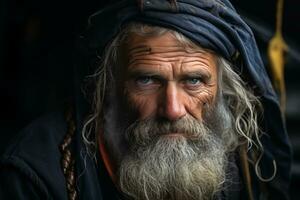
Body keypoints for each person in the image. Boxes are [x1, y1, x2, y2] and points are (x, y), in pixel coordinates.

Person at [0, 0, 292, 199]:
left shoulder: (242, 163)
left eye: (193, 80)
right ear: (109, 84)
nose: (173, 109)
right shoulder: (37, 175)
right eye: (147, 80)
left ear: (222, 87)